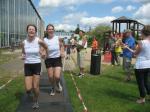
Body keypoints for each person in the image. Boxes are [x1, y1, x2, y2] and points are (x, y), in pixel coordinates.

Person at [21, 24, 48, 109]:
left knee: (35, 86)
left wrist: (44, 53)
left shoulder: (38, 40)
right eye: (30, 29)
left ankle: (36, 101)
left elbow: (46, 47)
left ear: (35, 31)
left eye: (33, 29)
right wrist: (23, 55)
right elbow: (23, 52)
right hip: (27, 65)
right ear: (27, 31)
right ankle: (31, 93)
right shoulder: (24, 42)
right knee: (28, 88)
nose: (31, 30)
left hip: (36, 64)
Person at [124, 25, 150, 104]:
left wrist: (127, 48)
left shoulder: (141, 42)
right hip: (149, 65)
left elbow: (135, 53)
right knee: (146, 82)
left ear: (143, 33)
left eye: (141, 33)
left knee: (141, 83)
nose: (140, 34)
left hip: (140, 66)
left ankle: (142, 99)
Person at [43, 24, 65, 96]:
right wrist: (43, 53)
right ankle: (53, 88)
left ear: (54, 30)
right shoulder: (44, 40)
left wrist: (62, 52)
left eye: (52, 29)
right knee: (50, 77)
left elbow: (62, 46)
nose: (50, 30)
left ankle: (58, 84)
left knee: (57, 76)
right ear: (46, 30)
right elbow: (42, 49)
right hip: (48, 59)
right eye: (49, 29)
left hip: (57, 59)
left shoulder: (58, 38)